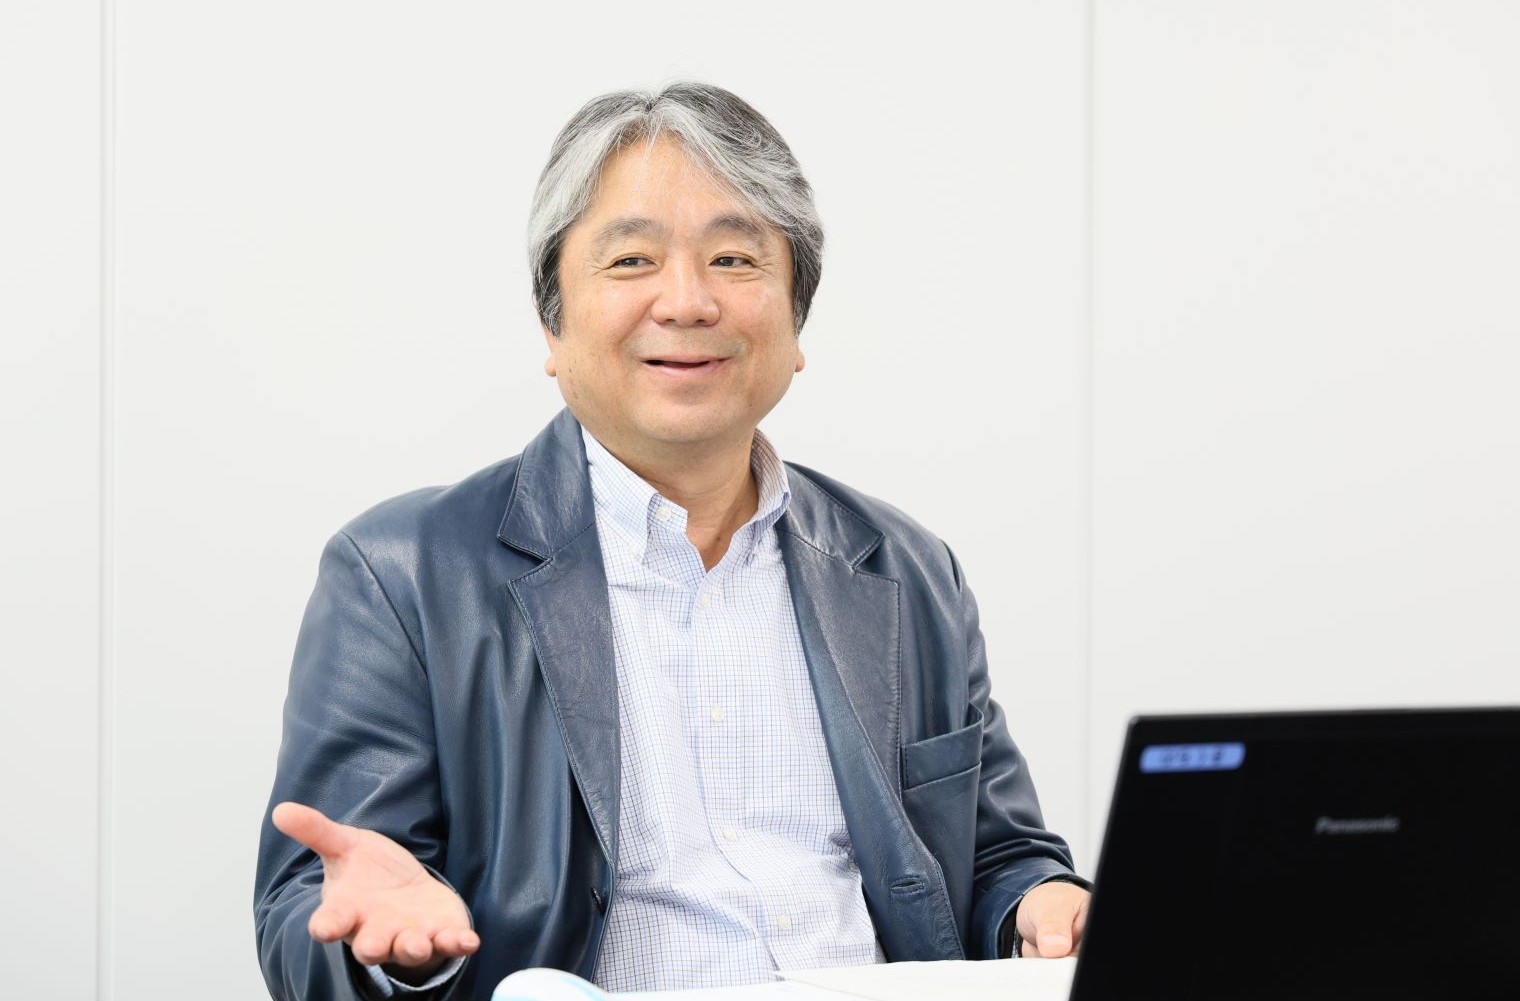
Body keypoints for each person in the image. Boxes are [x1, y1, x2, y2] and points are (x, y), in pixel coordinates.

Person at [254, 82, 1091, 1001]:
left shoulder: (908, 569)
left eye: (734, 258)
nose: (687, 301)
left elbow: (998, 856)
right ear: (552, 322)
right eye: (632, 260)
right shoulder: (403, 575)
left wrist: (1043, 902)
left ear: (796, 320)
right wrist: (397, 950)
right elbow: (308, 913)